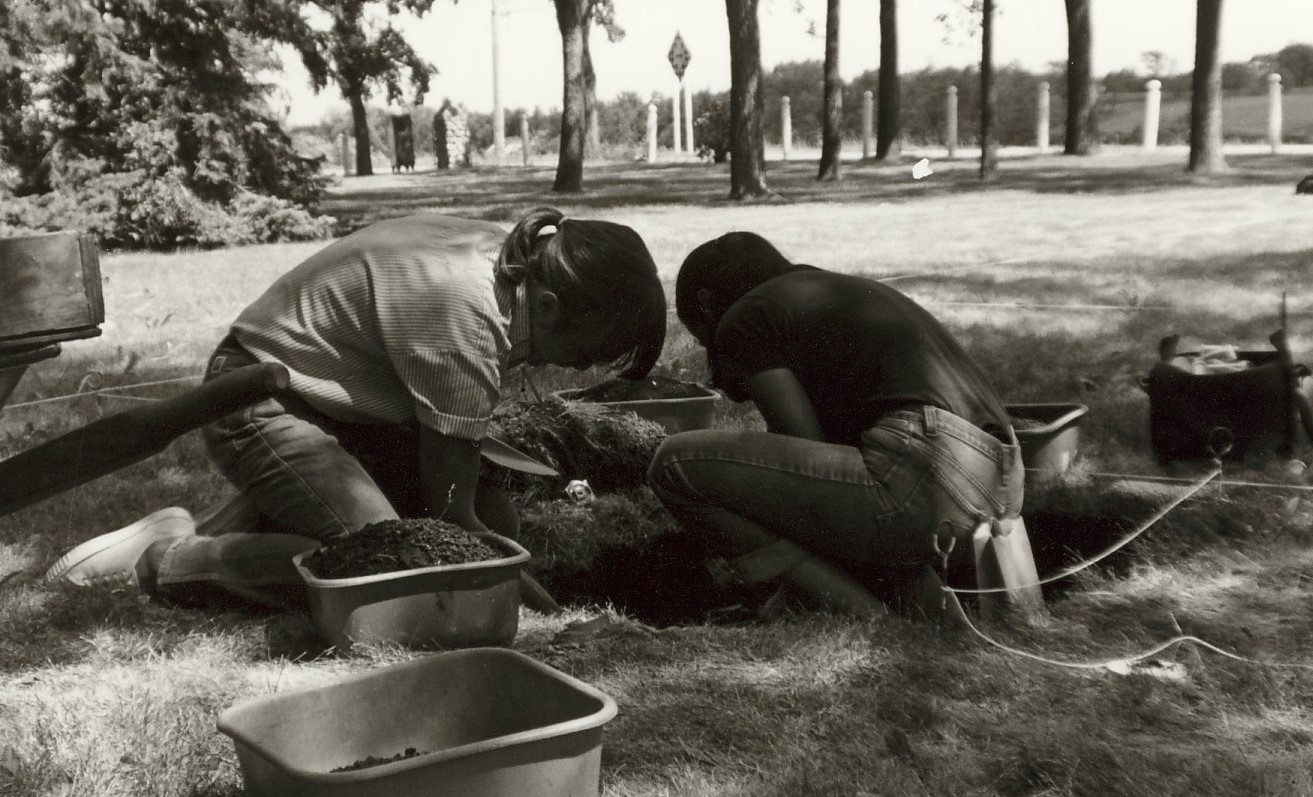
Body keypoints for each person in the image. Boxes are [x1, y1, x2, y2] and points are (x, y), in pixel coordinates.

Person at [46, 207, 667, 611]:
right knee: (401, 570)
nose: (585, 367)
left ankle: (230, 522)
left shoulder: (511, 258)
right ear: (554, 306)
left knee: (496, 530)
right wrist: (530, 604)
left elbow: (470, 497)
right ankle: (175, 560)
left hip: (341, 412)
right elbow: (455, 523)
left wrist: (496, 553)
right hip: (258, 403)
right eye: (595, 351)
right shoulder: (469, 313)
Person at [648, 231, 1028, 619]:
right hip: (1002, 484)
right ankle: (929, 613)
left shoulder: (744, 318)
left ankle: (863, 615)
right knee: (841, 486)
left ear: (706, 303)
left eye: (699, 338)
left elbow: (802, 446)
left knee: (674, 464)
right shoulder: (833, 293)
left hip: (925, 476)